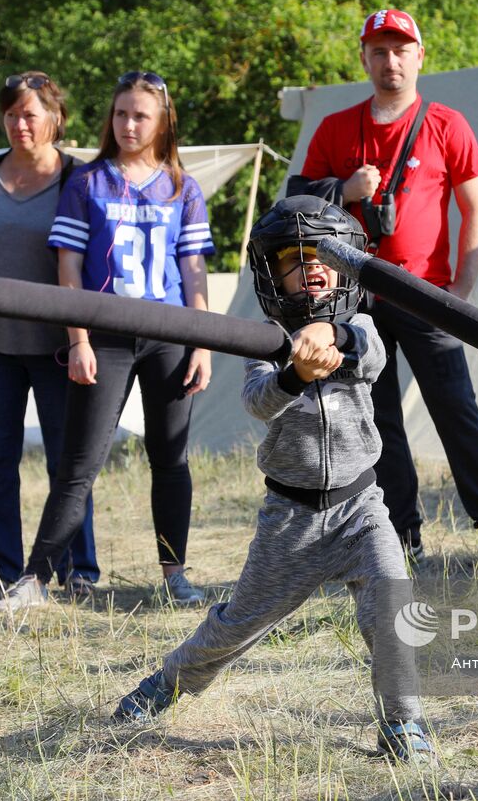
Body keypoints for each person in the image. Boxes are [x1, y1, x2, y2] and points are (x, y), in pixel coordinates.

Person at [113, 196, 432, 763]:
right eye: (296, 257)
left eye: (325, 257)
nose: (313, 267)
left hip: (362, 509)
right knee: (237, 626)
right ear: (271, 272)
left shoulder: (360, 324)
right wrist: (294, 372)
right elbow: (259, 403)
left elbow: (373, 358)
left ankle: (401, 726)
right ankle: (165, 682)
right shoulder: (262, 338)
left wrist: (334, 340)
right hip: (293, 521)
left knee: (392, 606)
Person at [294, 8, 478, 577]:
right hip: (354, 297)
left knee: (457, 411)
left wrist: (462, 289)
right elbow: (297, 202)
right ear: (364, 59)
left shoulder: (446, 123)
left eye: (400, 50)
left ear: (420, 56)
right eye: (379, 51)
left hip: (426, 293)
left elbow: (477, 211)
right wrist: (345, 188)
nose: (390, 61)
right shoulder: (336, 128)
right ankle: (401, 536)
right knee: (377, 418)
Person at [0, 71, 214, 612]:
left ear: (162, 121)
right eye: (120, 114)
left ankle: (175, 575)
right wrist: (80, 340)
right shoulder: (87, 182)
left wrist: (202, 343)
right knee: (79, 464)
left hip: (170, 335)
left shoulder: (183, 187)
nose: (128, 124)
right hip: (105, 336)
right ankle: (35, 580)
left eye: (140, 115)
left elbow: (193, 272)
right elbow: (67, 266)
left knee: (170, 458)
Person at [0, 72, 97, 598]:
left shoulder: (80, 178)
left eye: (30, 114)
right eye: (11, 114)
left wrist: (85, 338)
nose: (19, 124)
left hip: (61, 347)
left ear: (55, 119)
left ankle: (77, 570)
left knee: (68, 461)